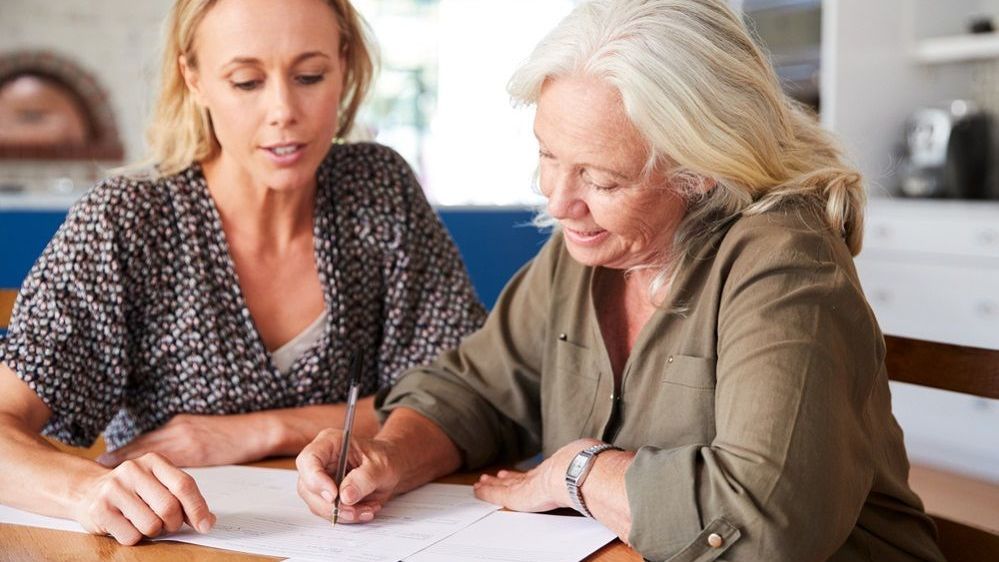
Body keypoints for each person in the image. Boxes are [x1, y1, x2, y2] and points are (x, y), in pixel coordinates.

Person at [296, 1, 946, 560]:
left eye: (602, 180)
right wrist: (389, 454)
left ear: (703, 172)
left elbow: (761, 527)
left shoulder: (784, 263)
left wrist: (578, 472)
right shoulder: (588, 250)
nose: (558, 201)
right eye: (547, 155)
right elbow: (478, 390)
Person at [0, 0, 484, 546]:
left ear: (345, 65)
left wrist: (257, 431)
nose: (283, 110)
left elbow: (469, 397)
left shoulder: (379, 191)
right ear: (195, 78)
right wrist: (85, 491)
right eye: (247, 82)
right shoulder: (127, 221)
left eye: (309, 75)